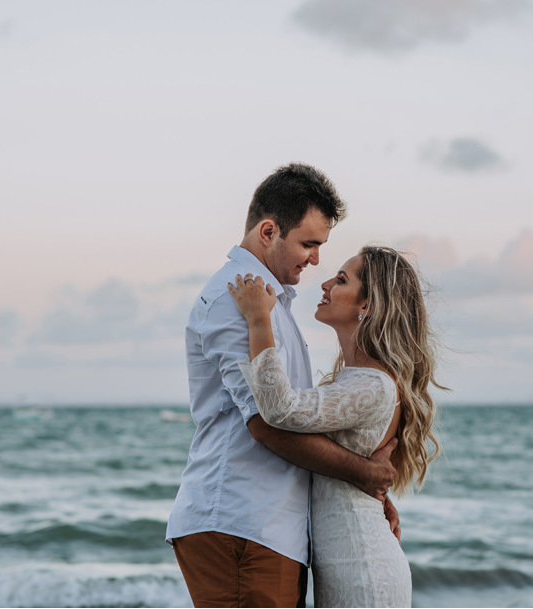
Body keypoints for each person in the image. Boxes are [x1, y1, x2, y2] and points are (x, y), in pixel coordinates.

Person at [166, 163, 400, 608]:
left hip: (270, 528)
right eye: (309, 243)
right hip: (241, 522)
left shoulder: (271, 304)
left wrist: (367, 498)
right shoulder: (234, 298)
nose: (316, 260)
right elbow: (266, 423)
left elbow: (297, 419)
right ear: (269, 231)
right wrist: (364, 474)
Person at [228, 245, 443, 608]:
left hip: (363, 570)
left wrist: (258, 320)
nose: (326, 283)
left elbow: (279, 410)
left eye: (341, 279)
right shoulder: (360, 379)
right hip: (349, 565)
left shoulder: (372, 385)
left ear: (367, 306)